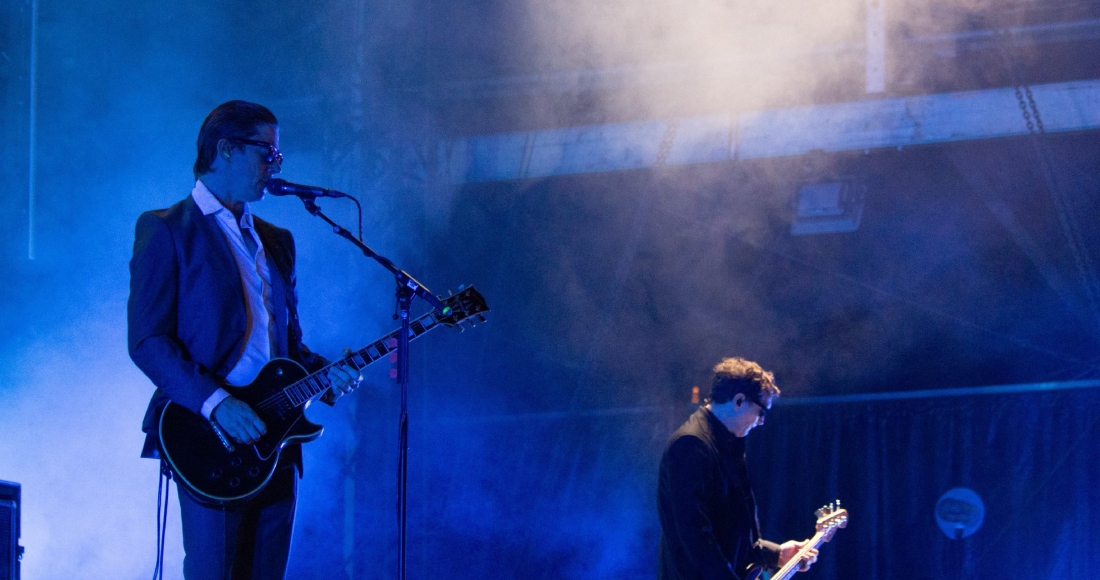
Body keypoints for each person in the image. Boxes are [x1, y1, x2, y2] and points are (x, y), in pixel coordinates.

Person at [128, 100, 361, 579]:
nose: (275, 167)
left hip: (278, 437)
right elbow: (148, 340)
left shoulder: (277, 240)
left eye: (277, 157)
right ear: (226, 149)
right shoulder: (168, 229)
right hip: (207, 434)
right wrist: (216, 402)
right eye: (268, 154)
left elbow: (287, 348)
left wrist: (325, 373)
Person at [657, 357, 818, 579]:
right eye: (761, 412)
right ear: (739, 401)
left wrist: (776, 553)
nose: (761, 421)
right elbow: (695, 537)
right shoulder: (690, 444)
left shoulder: (727, 442)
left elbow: (733, 527)